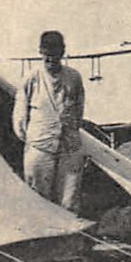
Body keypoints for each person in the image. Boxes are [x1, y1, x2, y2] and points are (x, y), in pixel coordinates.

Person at [13, 29, 86, 213]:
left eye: (55, 56)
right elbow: (20, 117)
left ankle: (67, 239)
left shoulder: (73, 77)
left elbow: (79, 109)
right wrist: (34, 139)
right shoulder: (32, 78)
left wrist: (70, 130)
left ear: (62, 52)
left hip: (69, 146)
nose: (51, 61)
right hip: (40, 145)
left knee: (69, 200)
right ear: (40, 52)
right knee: (38, 198)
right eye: (47, 56)